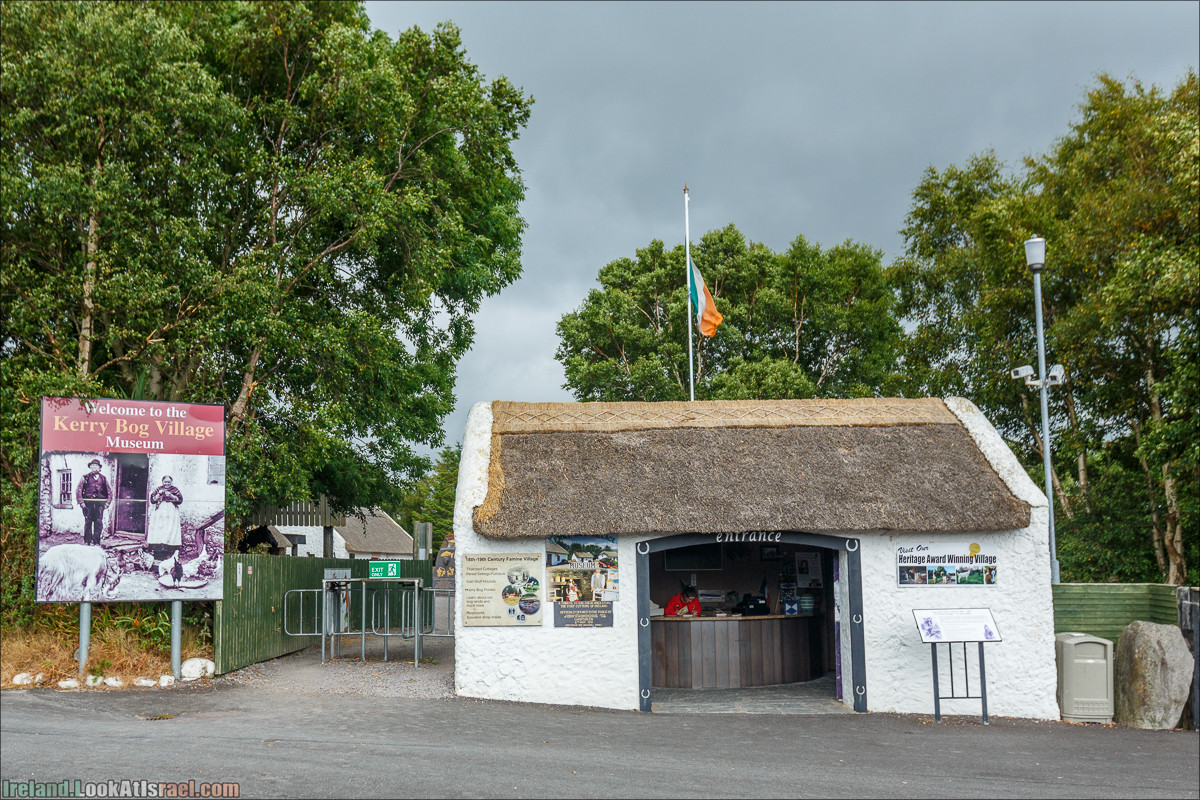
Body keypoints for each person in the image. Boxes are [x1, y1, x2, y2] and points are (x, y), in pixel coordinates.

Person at [145, 475, 184, 561]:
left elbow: (180, 500)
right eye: (165, 482)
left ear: (171, 482)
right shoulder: (159, 489)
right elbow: (152, 500)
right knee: (159, 530)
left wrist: (171, 495)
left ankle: (169, 553)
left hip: (171, 512)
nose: (167, 484)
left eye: (169, 482)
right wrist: (159, 495)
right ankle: (158, 553)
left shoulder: (175, 490)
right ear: (162, 482)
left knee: (169, 530)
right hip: (159, 512)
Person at [75, 458, 111, 546]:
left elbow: (109, 492)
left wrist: (107, 503)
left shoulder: (103, 479)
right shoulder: (85, 478)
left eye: (96, 466)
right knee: (88, 522)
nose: (94, 467)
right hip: (88, 505)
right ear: (90, 467)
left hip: (99, 505)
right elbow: (78, 490)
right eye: (92, 466)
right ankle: (87, 541)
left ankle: (97, 542)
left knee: (98, 523)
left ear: (99, 468)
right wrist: (81, 502)